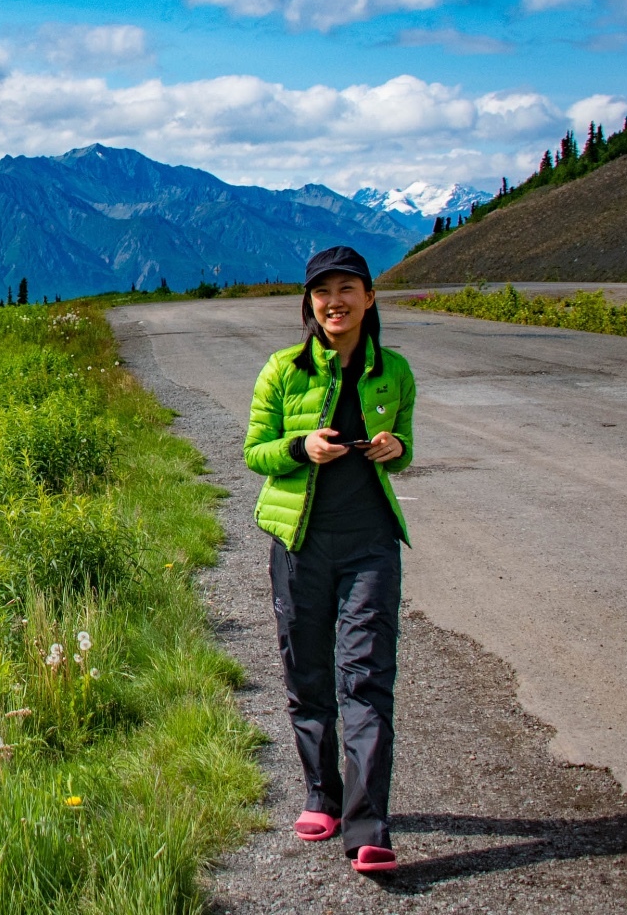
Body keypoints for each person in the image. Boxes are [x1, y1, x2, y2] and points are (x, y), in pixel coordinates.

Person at [243, 245, 415, 874]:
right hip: (300, 543)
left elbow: (407, 450)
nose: (335, 302)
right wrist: (299, 445)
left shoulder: (393, 371)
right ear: (309, 306)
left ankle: (369, 825)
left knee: (367, 677)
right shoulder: (282, 370)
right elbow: (254, 452)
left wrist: (394, 448)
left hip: (371, 545)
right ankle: (322, 794)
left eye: (348, 288)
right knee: (308, 670)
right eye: (322, 292)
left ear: (370, 298)